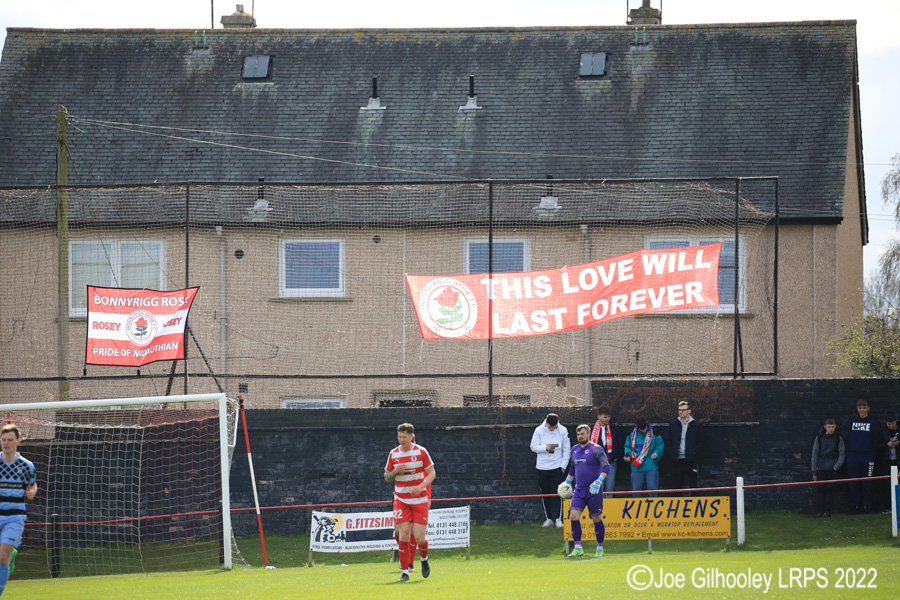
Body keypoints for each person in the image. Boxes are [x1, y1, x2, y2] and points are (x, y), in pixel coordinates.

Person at [384, 423, 435, 582]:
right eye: (399, 437)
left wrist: (421, 487)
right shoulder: (393, 454)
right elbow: (386, 476)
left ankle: (424, 559)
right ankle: (405, 572)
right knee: (403, 534)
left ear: (411, 436)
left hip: (419, 500)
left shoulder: (421, 452)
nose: (401, 440)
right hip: (401, 500)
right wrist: (394, 472)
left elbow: (432, 473)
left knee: (420, 538)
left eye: (405, 437)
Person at [560, 424, 610, 558]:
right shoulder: (574, 450)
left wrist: (599, 481)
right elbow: (572, 469)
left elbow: (606, 467)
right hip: (578, 491)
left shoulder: (596, 449)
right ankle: (578, 548)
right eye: (578, 434)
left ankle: (600, 548)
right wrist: (567, 483)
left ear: (588, 434)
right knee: (573, 516)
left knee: (596, 518)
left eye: (582, 434)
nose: (580, 436)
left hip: (594, 491)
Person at [0, 424, 37, 597]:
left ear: (18, 442)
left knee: (2, 558)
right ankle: (11, 555)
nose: (6, 443)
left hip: (14, 517)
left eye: (9, 440)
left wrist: (32, 491)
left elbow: (32, 484)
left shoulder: (27, 466)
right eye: (3, 440)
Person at [529, 413, 570, 528]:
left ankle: (558, 519)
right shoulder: (539, 430)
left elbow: (567, 449)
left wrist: (563, 466)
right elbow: (533, 446)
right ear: (546, 423)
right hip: (542, 468)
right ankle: (549, 519)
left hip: (557, 468)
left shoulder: (563, 430)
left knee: (558, 493)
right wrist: (545, 448)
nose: (552, 429)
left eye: (555, 426)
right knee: (545, 494)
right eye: (551, 427)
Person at [844, 398, 880, 513]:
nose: (862, 410)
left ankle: (867, 506)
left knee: (867, 482)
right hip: (853, 455)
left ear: (868, 408)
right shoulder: (851, 421)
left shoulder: (873, 422)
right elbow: (848, 438)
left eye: (864, 407)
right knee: (853, 481)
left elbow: (875, 440)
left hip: (867, 456)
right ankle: (855, 506)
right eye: (860, 408)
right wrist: (849, 453)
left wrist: (872, 455)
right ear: (857, 409)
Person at [664, 401, 703, 494]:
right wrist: (672, 452)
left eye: (683, 410)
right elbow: (668, 441)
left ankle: (695, 506)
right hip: (677, 460)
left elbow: (701, 442)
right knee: (676, 487)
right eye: (679, 410)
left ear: (689, 411)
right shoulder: (673, 425)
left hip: (690, 460)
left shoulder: (696, 426)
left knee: (693, 486)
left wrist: (694, 453)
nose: (681, 412)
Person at [810, 417, 845, 517]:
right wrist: (814, 472)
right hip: (820, 469)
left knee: (830, 491)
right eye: (829, 427)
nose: (831, 429)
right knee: (820, 491)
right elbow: (814, 454)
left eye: (832, 427)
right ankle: (819, 511)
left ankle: (827, 511)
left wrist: (835, 467)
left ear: (835, 427)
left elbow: (842, 454)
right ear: (825, 427)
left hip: (832, 468)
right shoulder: (819, 438)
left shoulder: (838, 438)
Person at [624, 417, 663, 498]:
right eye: (642, 430)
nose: (644, 431)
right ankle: (636, 508)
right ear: (637, 428)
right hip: (636, 465)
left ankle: (653, 507)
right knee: (636, 490)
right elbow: (627, 446)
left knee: (652, 488)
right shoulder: (631, 433)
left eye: (645, 429)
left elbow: (659, 445)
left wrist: (656, 453)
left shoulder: (655, 432)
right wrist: (627, 455)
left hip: (651, 464)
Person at [590, 404, 623, 495]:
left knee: (609, 488)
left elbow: (620, 444)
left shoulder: (614, 430)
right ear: (599, 417)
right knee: (597, 489)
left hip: (610, 463)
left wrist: (615, 456)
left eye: (608, 417)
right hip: (595, 463)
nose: (607, 419)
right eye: (605, 417)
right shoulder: (591, 430)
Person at [877, 412, 899, 513]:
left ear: (896, 421)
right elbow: (877, 446)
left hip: (898, 460)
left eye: (893, 423)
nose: (891, 426)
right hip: (886, 461)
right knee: (886, 484)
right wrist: (887, 445)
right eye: (889, 424)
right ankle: (887, 506)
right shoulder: (881, 431)